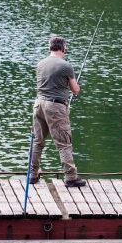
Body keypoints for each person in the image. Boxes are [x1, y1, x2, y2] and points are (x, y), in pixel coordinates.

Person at [29, 36, 86, 187]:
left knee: (37, 142)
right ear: (63, 47)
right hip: (55, 107)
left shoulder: (40, 64)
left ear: (50, 47)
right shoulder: (65, 66)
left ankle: (32, 175)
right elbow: (75, 90)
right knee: (64, 143)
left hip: (38, 105)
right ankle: (71, 177)